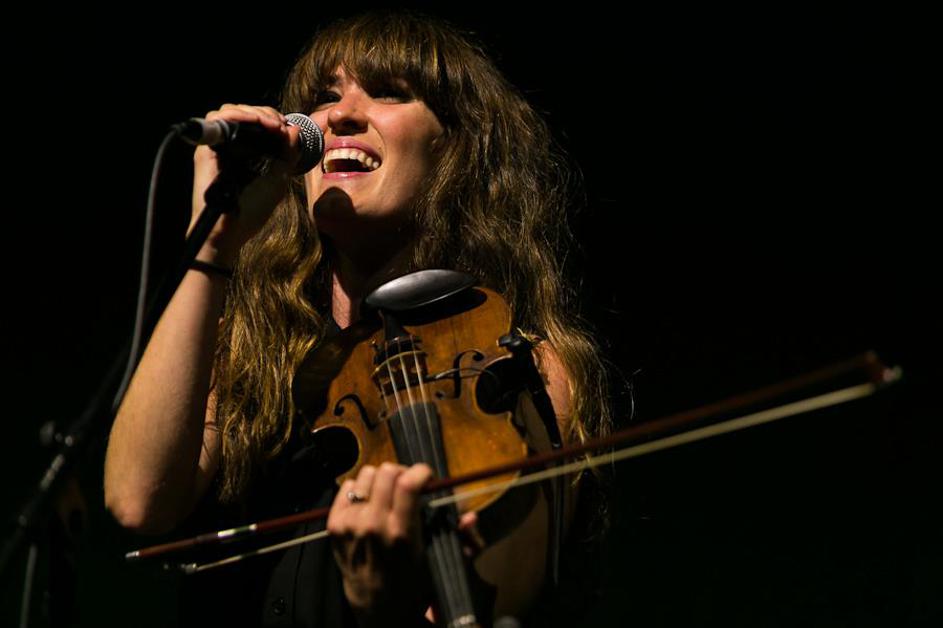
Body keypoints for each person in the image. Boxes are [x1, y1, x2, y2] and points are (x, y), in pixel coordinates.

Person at [104, 11, 610, 627]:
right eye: (324, 96)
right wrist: (213, 242)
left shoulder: (516, 366)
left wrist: (383, 609)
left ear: (456, 149)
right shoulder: (249, 349)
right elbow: (138, 500)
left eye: (389, 92)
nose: (340, 115)